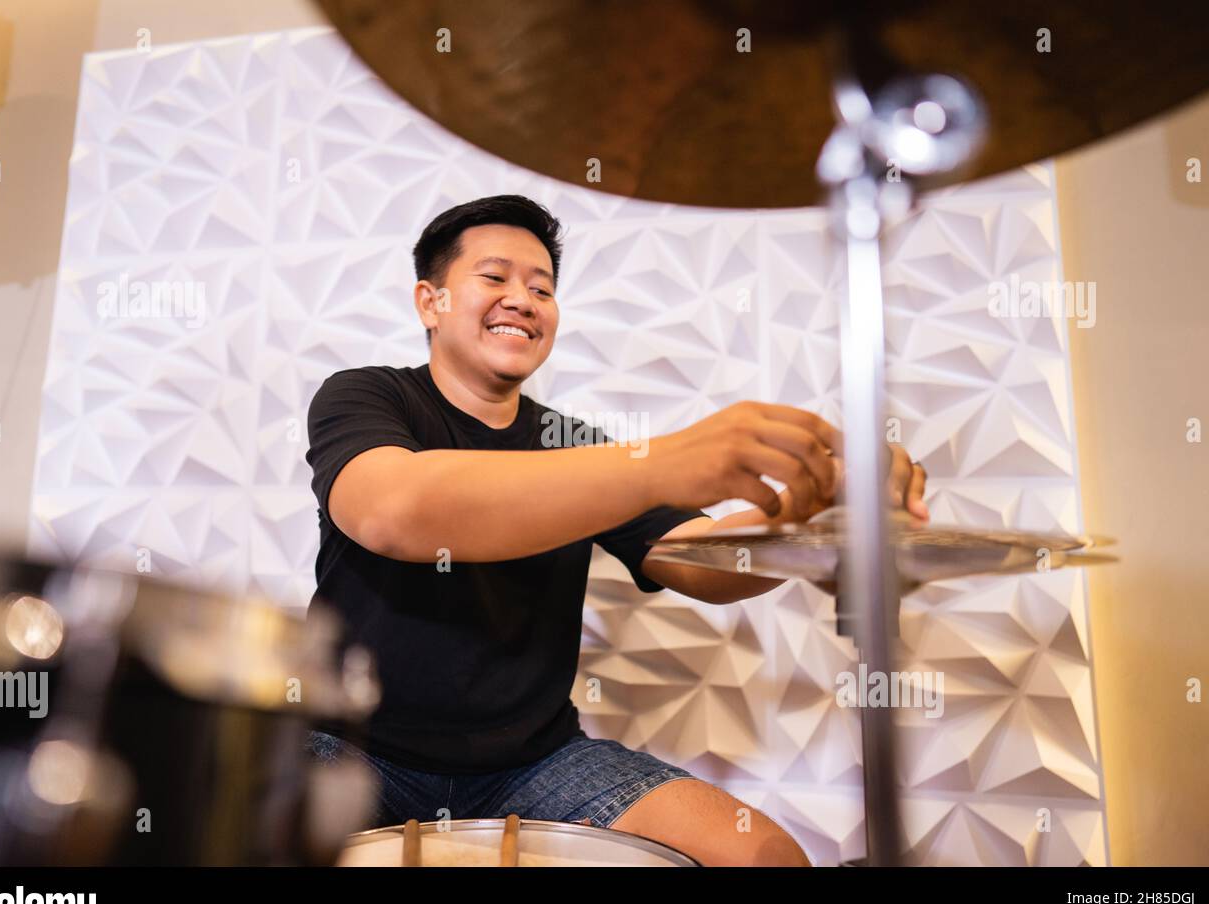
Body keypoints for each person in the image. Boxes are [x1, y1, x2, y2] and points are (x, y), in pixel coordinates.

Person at [304, 195, 928, 866]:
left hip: (531, 761)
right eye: (494, 277)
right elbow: (393, 512)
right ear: (431, 302)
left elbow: (703, 564)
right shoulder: (365, 396)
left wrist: (819, 511)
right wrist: (664, 462)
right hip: (352, 747)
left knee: (763, 855)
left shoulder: (576, 446)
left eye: (541, 287)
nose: (522, 298)